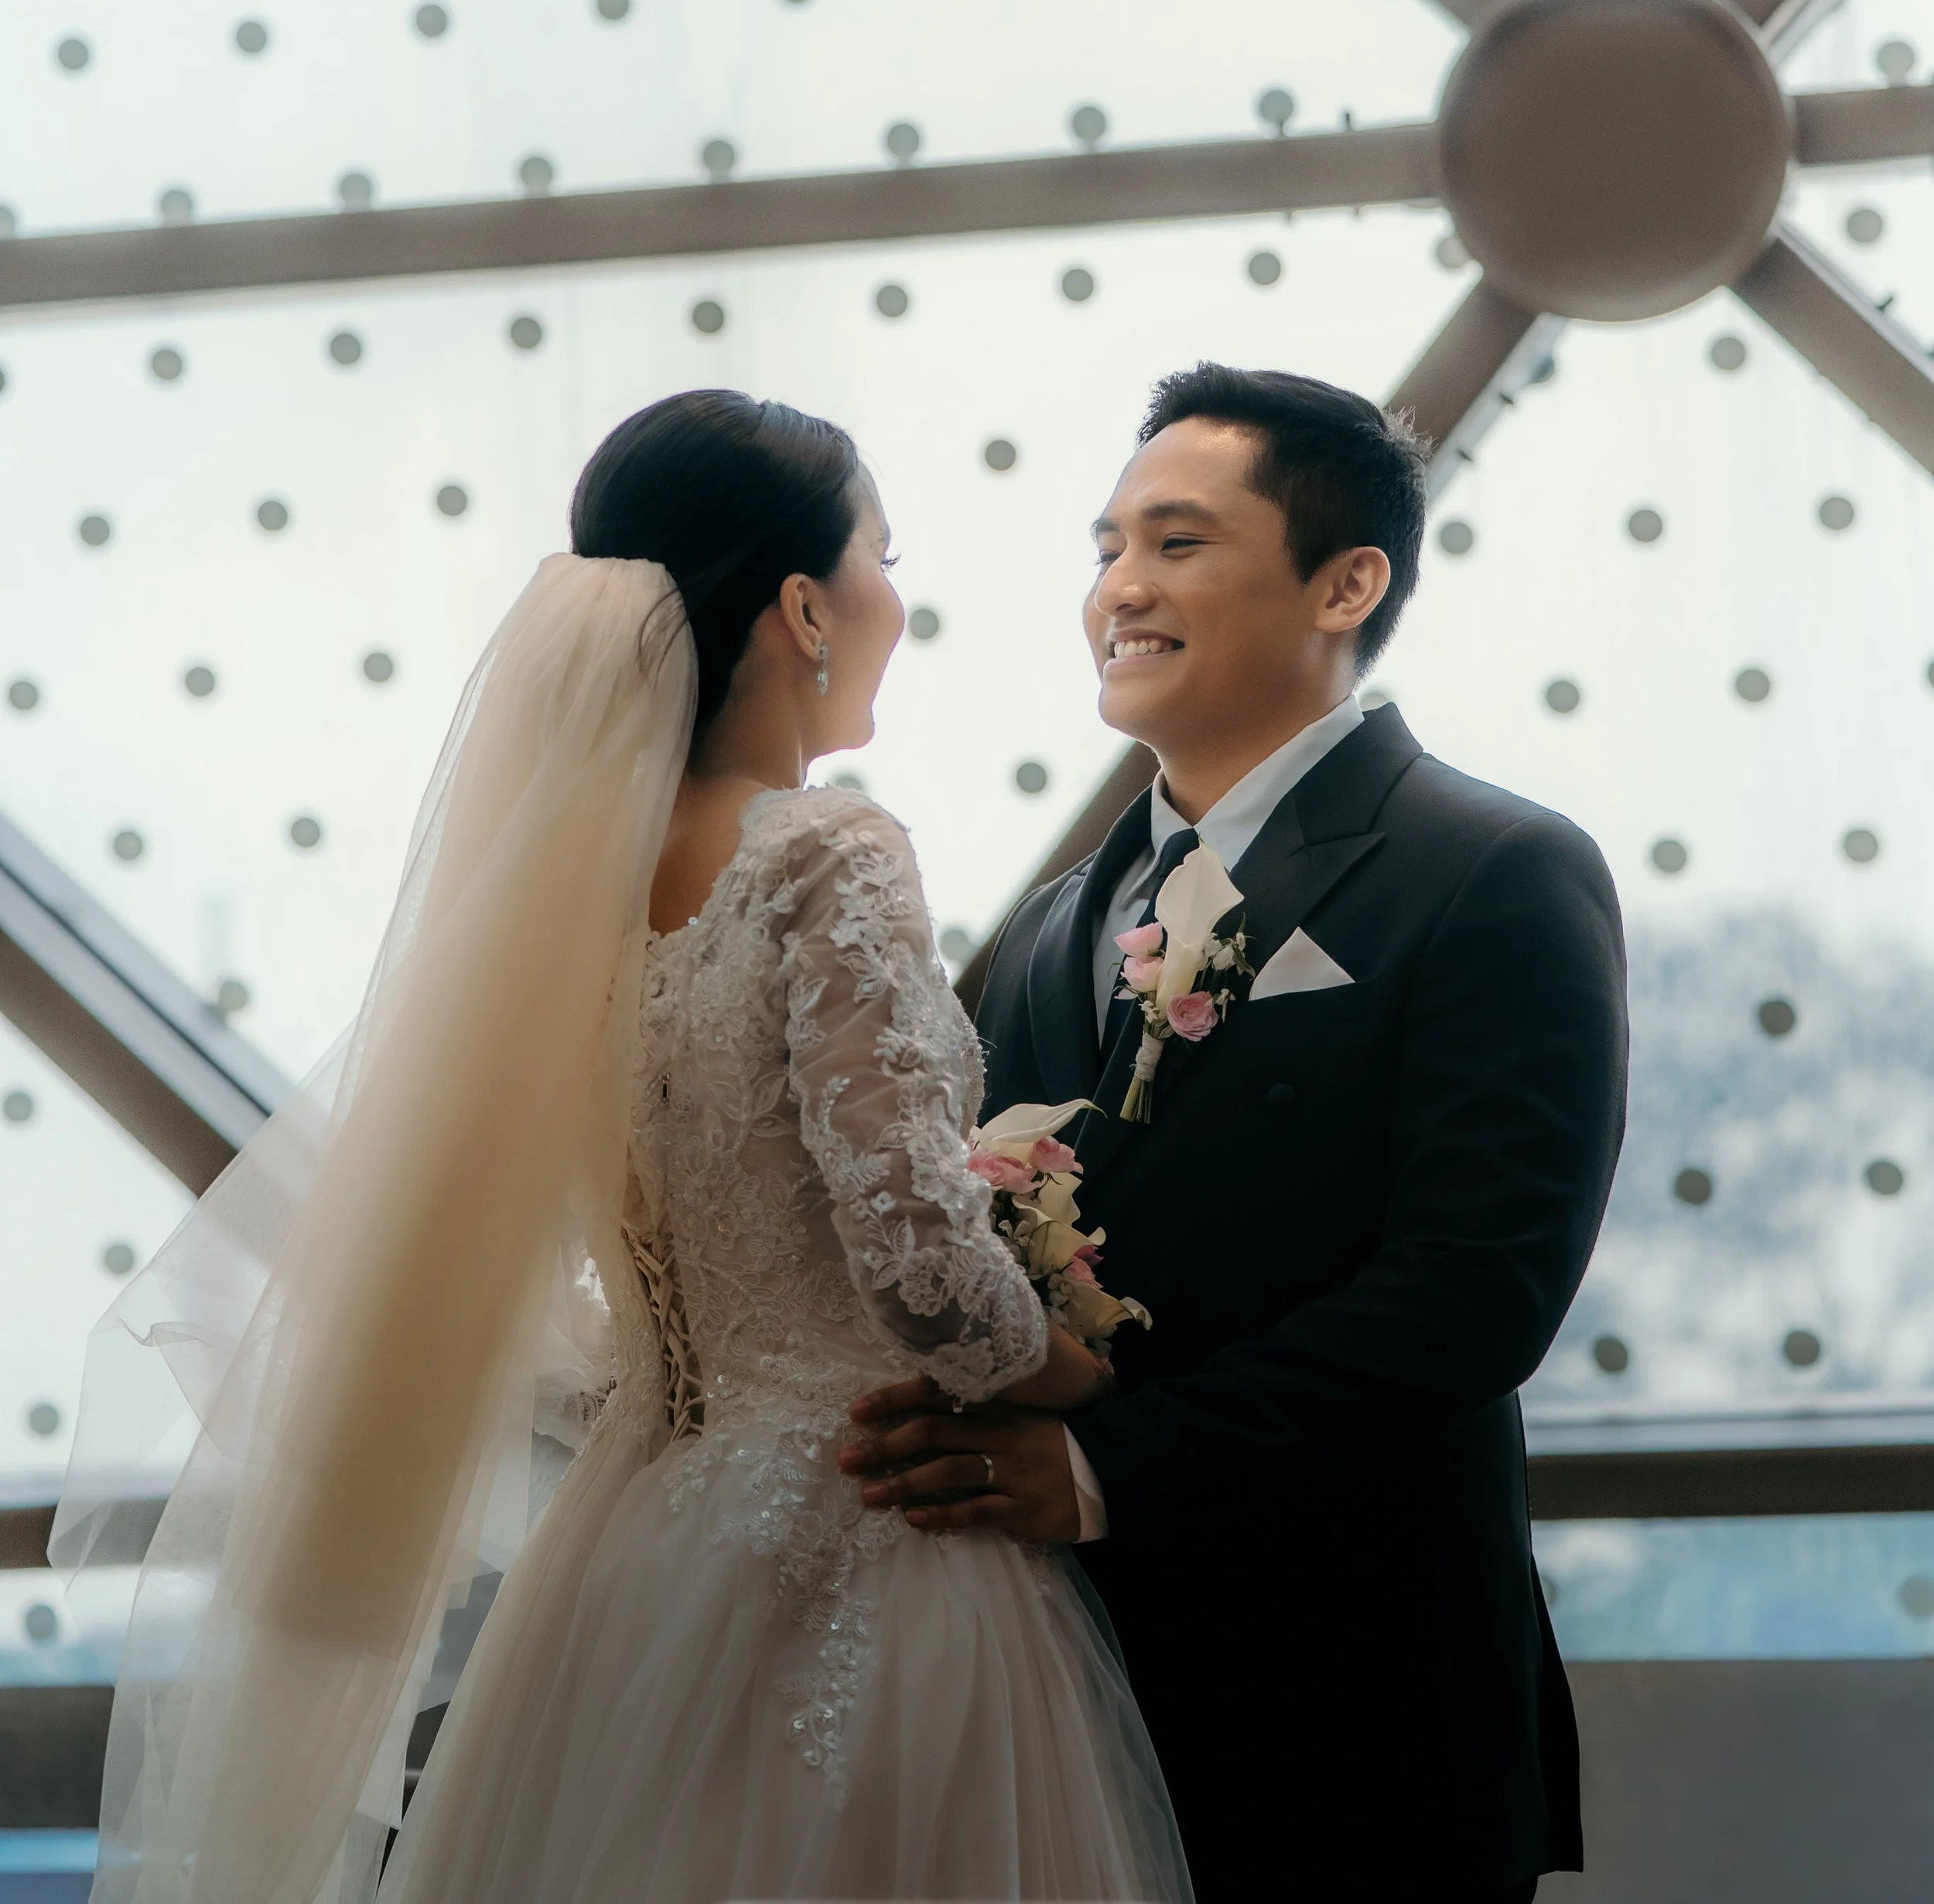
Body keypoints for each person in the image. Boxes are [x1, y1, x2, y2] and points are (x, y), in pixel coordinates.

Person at [60, 391, 1187, 1904]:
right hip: (862, 1524)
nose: (890, 602)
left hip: (638, 1543)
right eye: (881, 556)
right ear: (802, 607)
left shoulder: (558, 904)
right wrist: (1087, 1378)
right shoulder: (824, 852)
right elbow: (923, 1276)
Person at [842, 361, 1629, 1902]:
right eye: (1105, 547)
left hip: (1357, 1707)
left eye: (1177, 544)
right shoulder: (1054, 921)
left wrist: (1095, 1464)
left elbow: (1476, 1291)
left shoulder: (1495, 870)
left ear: (1347, 581)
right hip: (1060, 1694)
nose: (1119, 589)